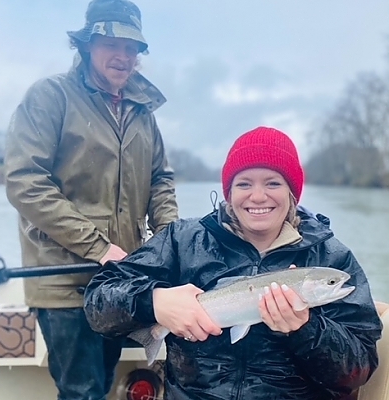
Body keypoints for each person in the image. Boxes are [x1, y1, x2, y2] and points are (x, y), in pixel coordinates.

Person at [84, 126, 382, 400]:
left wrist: (306, 330)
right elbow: (98, 301)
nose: (258, 196)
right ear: (229, 192)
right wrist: (154, 302)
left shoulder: (331, 257)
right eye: (244, 183)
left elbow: (357, 372)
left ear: (292, 191)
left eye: (273, 182)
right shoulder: (182, 241)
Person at [4, 0, 178, 399]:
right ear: (85, 46)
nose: (123, 56)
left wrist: (169, 242)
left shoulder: (143, 113)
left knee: (104, 381)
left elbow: (160, 181)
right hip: (62, 281)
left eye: (132, 48)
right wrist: (98, 247)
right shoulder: (49, 97)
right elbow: (24, 181)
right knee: (82, 391)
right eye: (111, 44)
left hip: (120, 282)